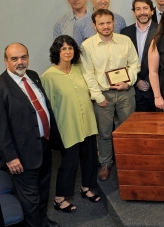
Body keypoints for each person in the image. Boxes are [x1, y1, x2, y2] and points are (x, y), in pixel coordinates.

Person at [0, 43, 62, 227]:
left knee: (43, 190)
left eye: (23, 57)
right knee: (29, 199)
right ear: (5, 61)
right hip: (21, 155)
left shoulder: (32, 76)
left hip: (44, 146)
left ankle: (43, 222)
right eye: (14, 59)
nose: (20, 62)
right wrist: (10, 157)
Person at [41, 36, 100, 213]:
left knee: (90, 157)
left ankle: (87, 187)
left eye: (70, 48)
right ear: (56, 52)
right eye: (63, 49)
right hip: (67, 125)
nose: (67, 52)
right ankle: (59, 198)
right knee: (69, 162)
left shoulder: (80, 69)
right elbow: (47, 107)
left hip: (87, 122)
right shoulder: (48, 76)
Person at [81, 9, 141, 181]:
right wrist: (98, 97)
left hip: (125, 92)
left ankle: (128, 161)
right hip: (103, 94)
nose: (106, 26)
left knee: (128, 131)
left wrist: (128, 82)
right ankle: (106, 163)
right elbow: (88, 74)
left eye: (108, 22)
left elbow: (134, 64)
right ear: (94, 25)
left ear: (113, 22)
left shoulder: (125, 40)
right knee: (104, 133)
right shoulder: (87, 46)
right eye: (101, 23)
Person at [121, 0, 158, 112]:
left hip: (156, 90)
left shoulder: (161, 30)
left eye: (145, 8)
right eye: (138, 9)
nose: (142, 12)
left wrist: (148, 80)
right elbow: (123, 61)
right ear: (134, 12)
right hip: (134, 91)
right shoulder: (125, 33)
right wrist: (136, 81)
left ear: (152, 11)